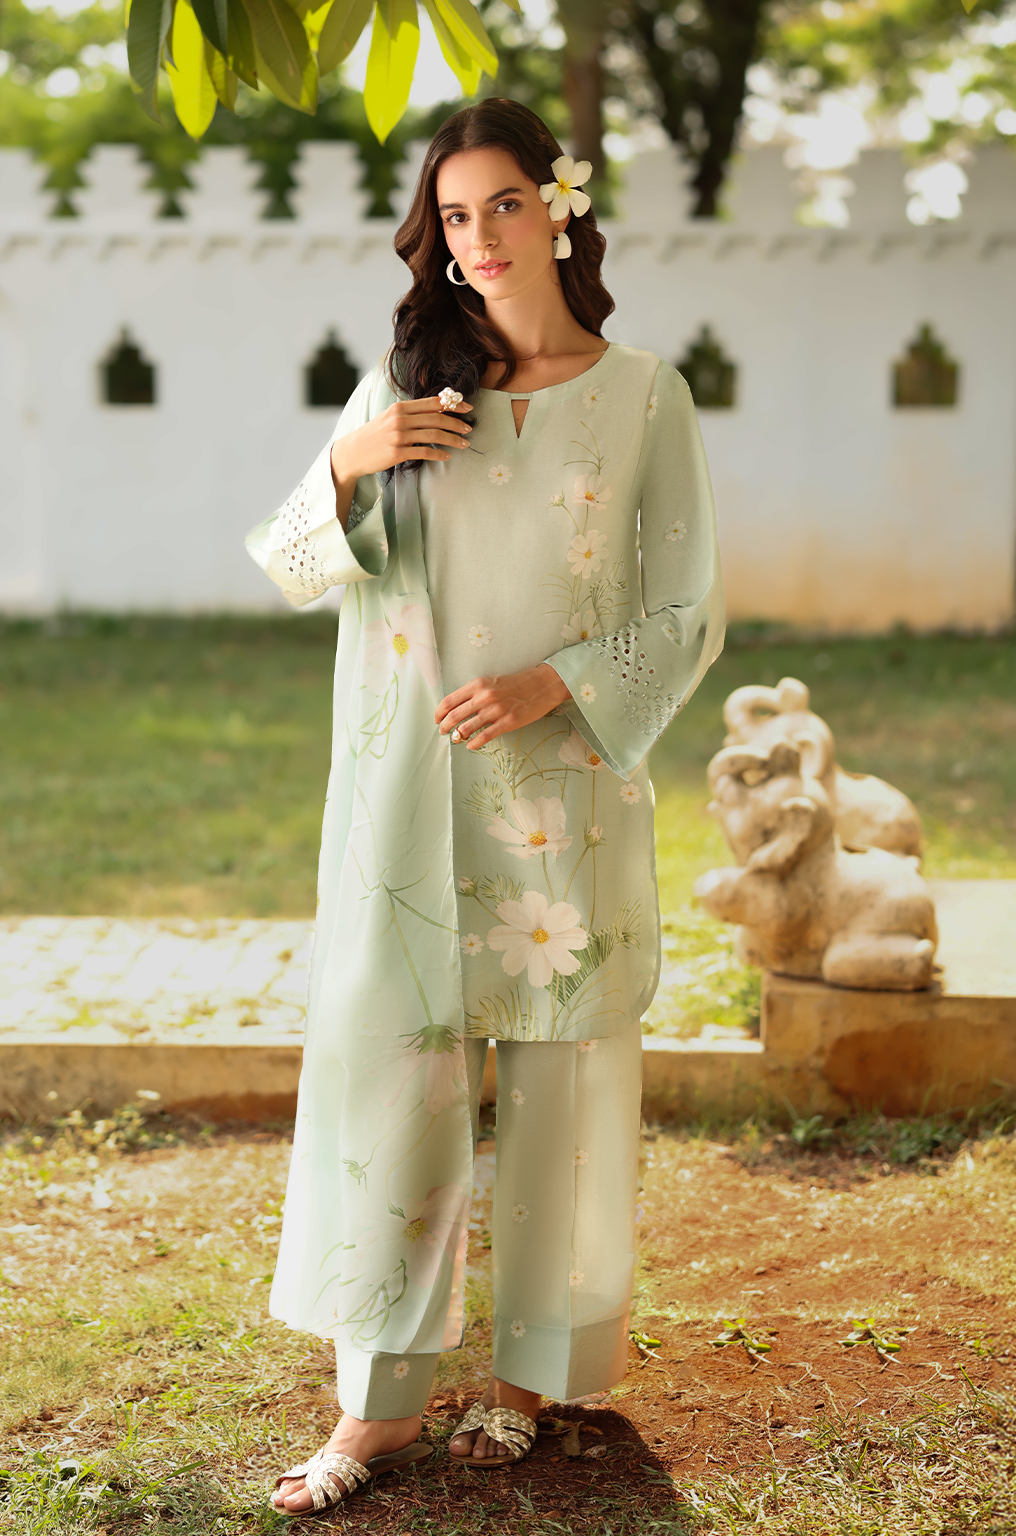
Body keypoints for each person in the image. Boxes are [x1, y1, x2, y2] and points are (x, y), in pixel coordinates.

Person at [246, 97, 724, 1517]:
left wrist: (553, 684)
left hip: (561, 793)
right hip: (406, 796)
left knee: (562, 1082)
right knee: (394, 1068)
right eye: (454, 216)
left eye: (505, 203)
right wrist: (351, 463)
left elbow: (689, 611)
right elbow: (292, 562)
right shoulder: (404, 385)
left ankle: (531, 1379)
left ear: (558, 209)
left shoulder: (644, 397)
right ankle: (378, 1403)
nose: (481, 238)